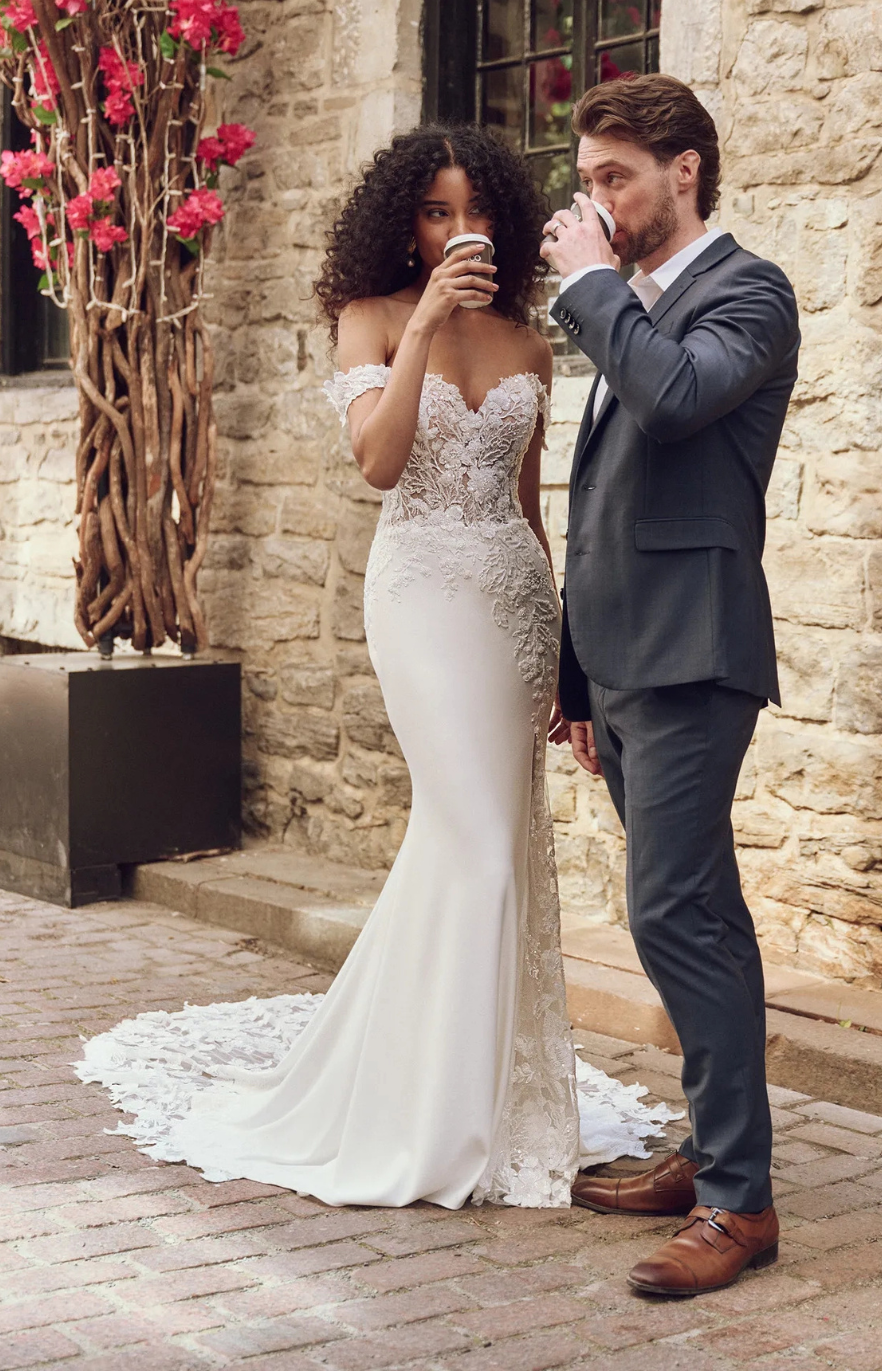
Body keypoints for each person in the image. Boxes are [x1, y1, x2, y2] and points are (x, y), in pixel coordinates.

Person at [77, 123, 675, 1209]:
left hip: (510, 604)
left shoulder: (534, 344)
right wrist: (427, 325)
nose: (458, 231)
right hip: (422, 597)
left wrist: (563, 657)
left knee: (491, 844)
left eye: (474, 209)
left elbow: (534, 513)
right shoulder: (372, 318)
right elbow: (378, 461)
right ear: (404, 221)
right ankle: (430, 1118)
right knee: (478, 840)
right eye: (436, 211)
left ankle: (485, 1096)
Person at [542, 74, 800, 1291]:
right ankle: (714, 1156)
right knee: (703, 919)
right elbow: (602, 509)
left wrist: (594, 286)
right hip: (628, 664)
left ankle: (742, 1208)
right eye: (587, 180)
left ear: (683, 170)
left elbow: (683, 399)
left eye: (615, 178)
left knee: (670, 915)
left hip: (697, 659)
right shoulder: (636, 308)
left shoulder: (747, 291)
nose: (595, 200)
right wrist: (575, 675)